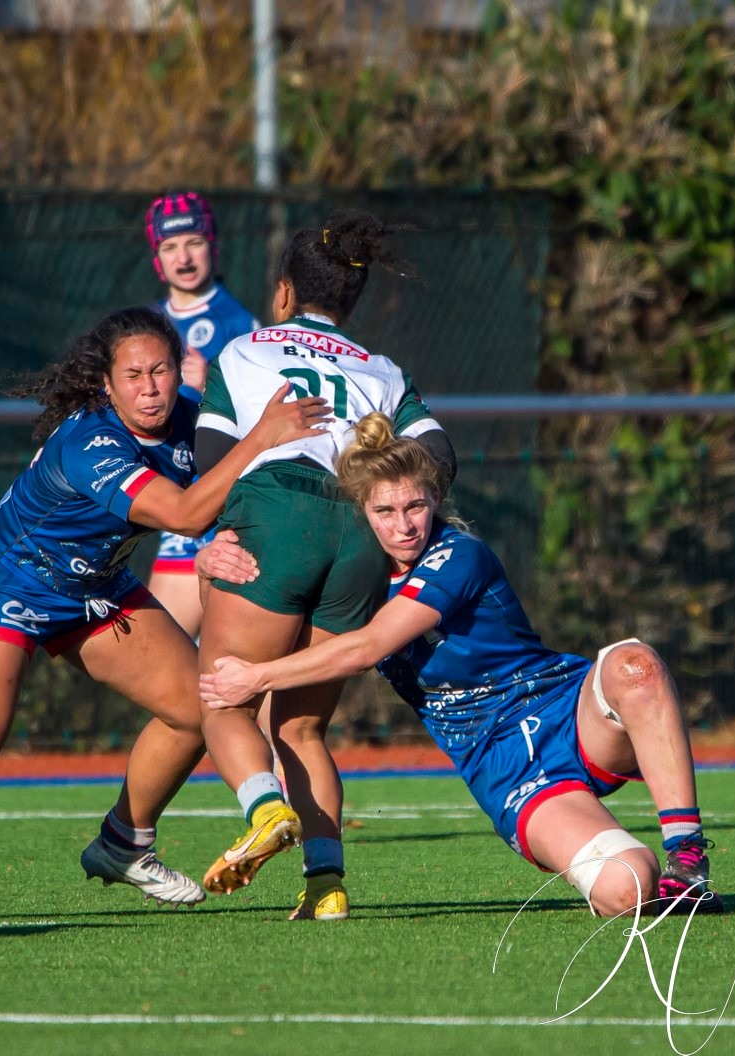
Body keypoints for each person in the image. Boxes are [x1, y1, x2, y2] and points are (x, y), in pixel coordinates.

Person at [0, 305, 328, 924]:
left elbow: (219, 499)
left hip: (94, 586)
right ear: (106, 382)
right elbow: (182, 514)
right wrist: (261, 436)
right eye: (132, 376)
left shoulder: (191, 417)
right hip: (6, 577)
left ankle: (125, 843)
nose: (150, 388)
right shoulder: (90, 441)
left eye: (161, 371)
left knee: (198, 708)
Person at [198, 413, 725, 918]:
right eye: (385, 512)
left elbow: (367, 647)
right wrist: (208, 559)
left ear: (436, 500)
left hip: (565, 709)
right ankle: (637, 871)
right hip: (503, 768)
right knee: (629, 887)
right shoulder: (351, 585)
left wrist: (256, 676)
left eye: (416, 506)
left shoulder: (458, 555)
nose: (405, 526)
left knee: (636, 665)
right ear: (361, 514)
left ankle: (688, 859)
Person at [190, 210, 457, 922]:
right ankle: (326, 886)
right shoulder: (383, 369)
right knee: (302, 728)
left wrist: (212, 538)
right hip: (361, 532)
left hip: (275, 514)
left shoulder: (243, 353)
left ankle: (266, 808)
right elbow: (440, 459)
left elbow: (214, 465)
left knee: (223, 699)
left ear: (283, 294)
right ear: (352, 299)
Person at [143, 191, 261, 635]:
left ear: (212, 244)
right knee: (170, 670)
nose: (183, 256)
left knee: (221, 672)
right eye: (170, 247)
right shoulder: (147, 322)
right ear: (157, 258)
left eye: (193, 242)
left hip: (224, 515)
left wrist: (212, 381)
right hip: (174, 514)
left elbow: (266, 419)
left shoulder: (239, 324)